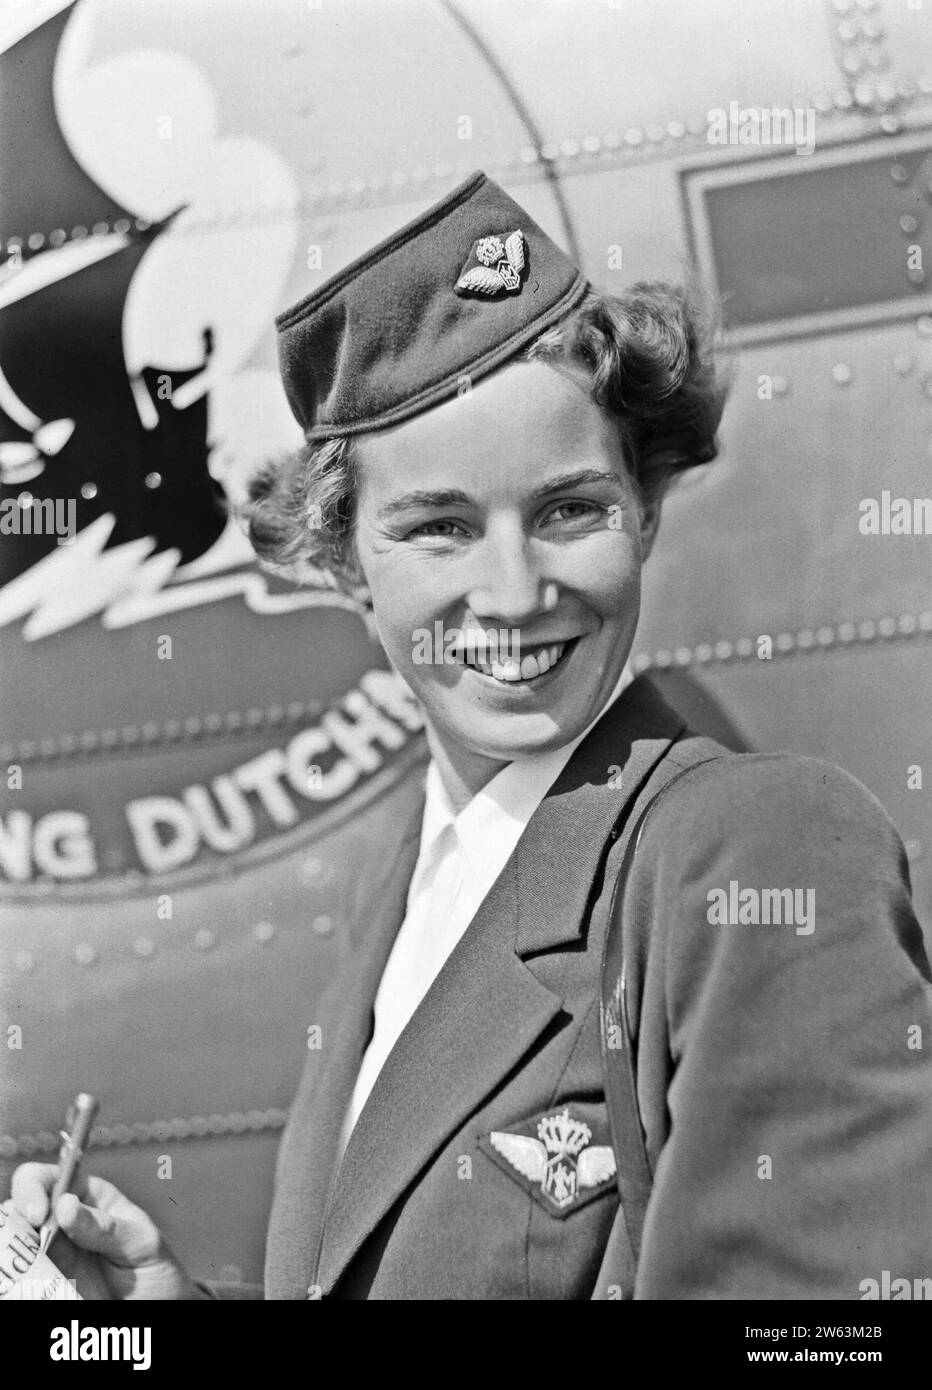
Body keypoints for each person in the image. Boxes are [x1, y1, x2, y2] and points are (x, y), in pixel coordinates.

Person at [10, 172, 932, 1300]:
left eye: (567, 510)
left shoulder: (760, 848)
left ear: (640, 510)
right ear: (345, 564)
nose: (511, 591)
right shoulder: (406, 898)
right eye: (440, 527)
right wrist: (141, 1317)